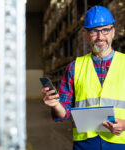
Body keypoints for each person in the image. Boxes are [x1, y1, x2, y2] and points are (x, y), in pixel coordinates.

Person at [41, 5, 125, 150]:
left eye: (105, 30)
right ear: (86, 34)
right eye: (94, 31)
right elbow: (64, 112)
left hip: (120, 142)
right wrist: (54, 104)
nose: (100, 37)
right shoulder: (75, 67)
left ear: (113, 31)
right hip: (85, 145)